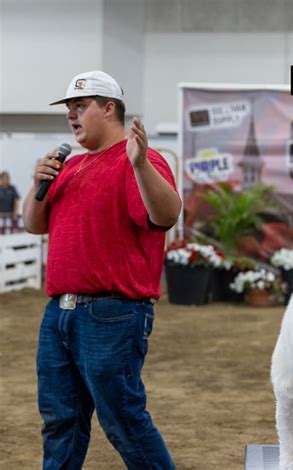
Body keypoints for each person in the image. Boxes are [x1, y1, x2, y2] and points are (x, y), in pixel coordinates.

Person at [22, 71, 181, 470]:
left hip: (112, 313)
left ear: (110, 109)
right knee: (60, 421)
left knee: (122, 420)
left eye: (81, 106)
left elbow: (166, 215)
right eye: (69, 109)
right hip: (60, 312)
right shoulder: (70, 166)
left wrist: (141, 165)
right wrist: (36, 183)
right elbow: (34, 224)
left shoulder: (140, 159)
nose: (72, 116)